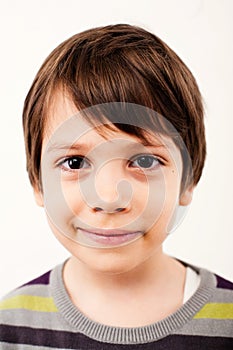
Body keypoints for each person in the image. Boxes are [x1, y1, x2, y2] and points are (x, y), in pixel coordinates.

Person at [0, 24, 232, 349]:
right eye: (75, 163)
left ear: (188, 180)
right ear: (38, 182)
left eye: (145, 161)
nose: (108, 198)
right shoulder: (8, 329)